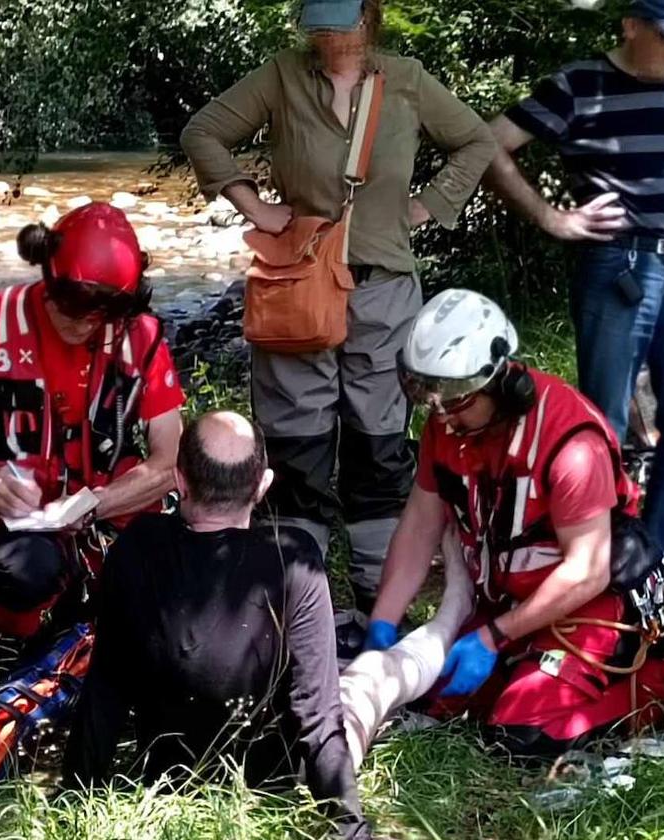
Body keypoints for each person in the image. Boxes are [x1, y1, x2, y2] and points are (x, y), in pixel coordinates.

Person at [181, 0, 497, 650]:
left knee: (379, 446)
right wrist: (257, 208)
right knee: (296, 450)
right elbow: (203, 132)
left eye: (341, 22)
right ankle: (300, 610)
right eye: (318, 24)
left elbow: (476, 140)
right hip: (298, 286)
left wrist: (429, 205)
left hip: (383, 293)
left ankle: (380, 614)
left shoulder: (406, 78)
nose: (329, 37)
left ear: (369, 17)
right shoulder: (280, 75)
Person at [483, 0, 664, 565]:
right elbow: (490, 142)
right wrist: (550, 216)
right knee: (602, 430)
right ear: (631, 26)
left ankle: (655, 564)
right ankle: (599, 564)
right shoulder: (579, 84)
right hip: (614, 268)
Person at [364, 289, 664, 756]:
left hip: (585, 605)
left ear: (500, 385)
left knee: (520, 734)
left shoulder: (570, 442)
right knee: (428, 701)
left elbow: (588, 569)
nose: (441, 415)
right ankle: (513, 665)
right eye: (431, 398)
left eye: (456, 401)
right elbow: (420, 524)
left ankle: (653, 686)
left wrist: (494, 636)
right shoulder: (451, 425)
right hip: (507, 601)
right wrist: (382, 623)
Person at [62, 411, 368, 840]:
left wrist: (75, 795)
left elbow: (106, 688)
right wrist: (348, 825)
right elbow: (317, 712)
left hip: (165, 775)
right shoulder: (292, 560)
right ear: (263, 486)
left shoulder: (138, 546)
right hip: (268, 781)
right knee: (368, 685)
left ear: (179, 481)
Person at [0, 202, 184, 675]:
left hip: (109, 513)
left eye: (100, 316)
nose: (83, 326)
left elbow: (169, 461)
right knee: (27, 572)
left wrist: (94, 504)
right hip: (14, 524)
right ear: (47, 277)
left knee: (184, 564)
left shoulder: (142, 337)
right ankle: (8, 632)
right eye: (71, 309)